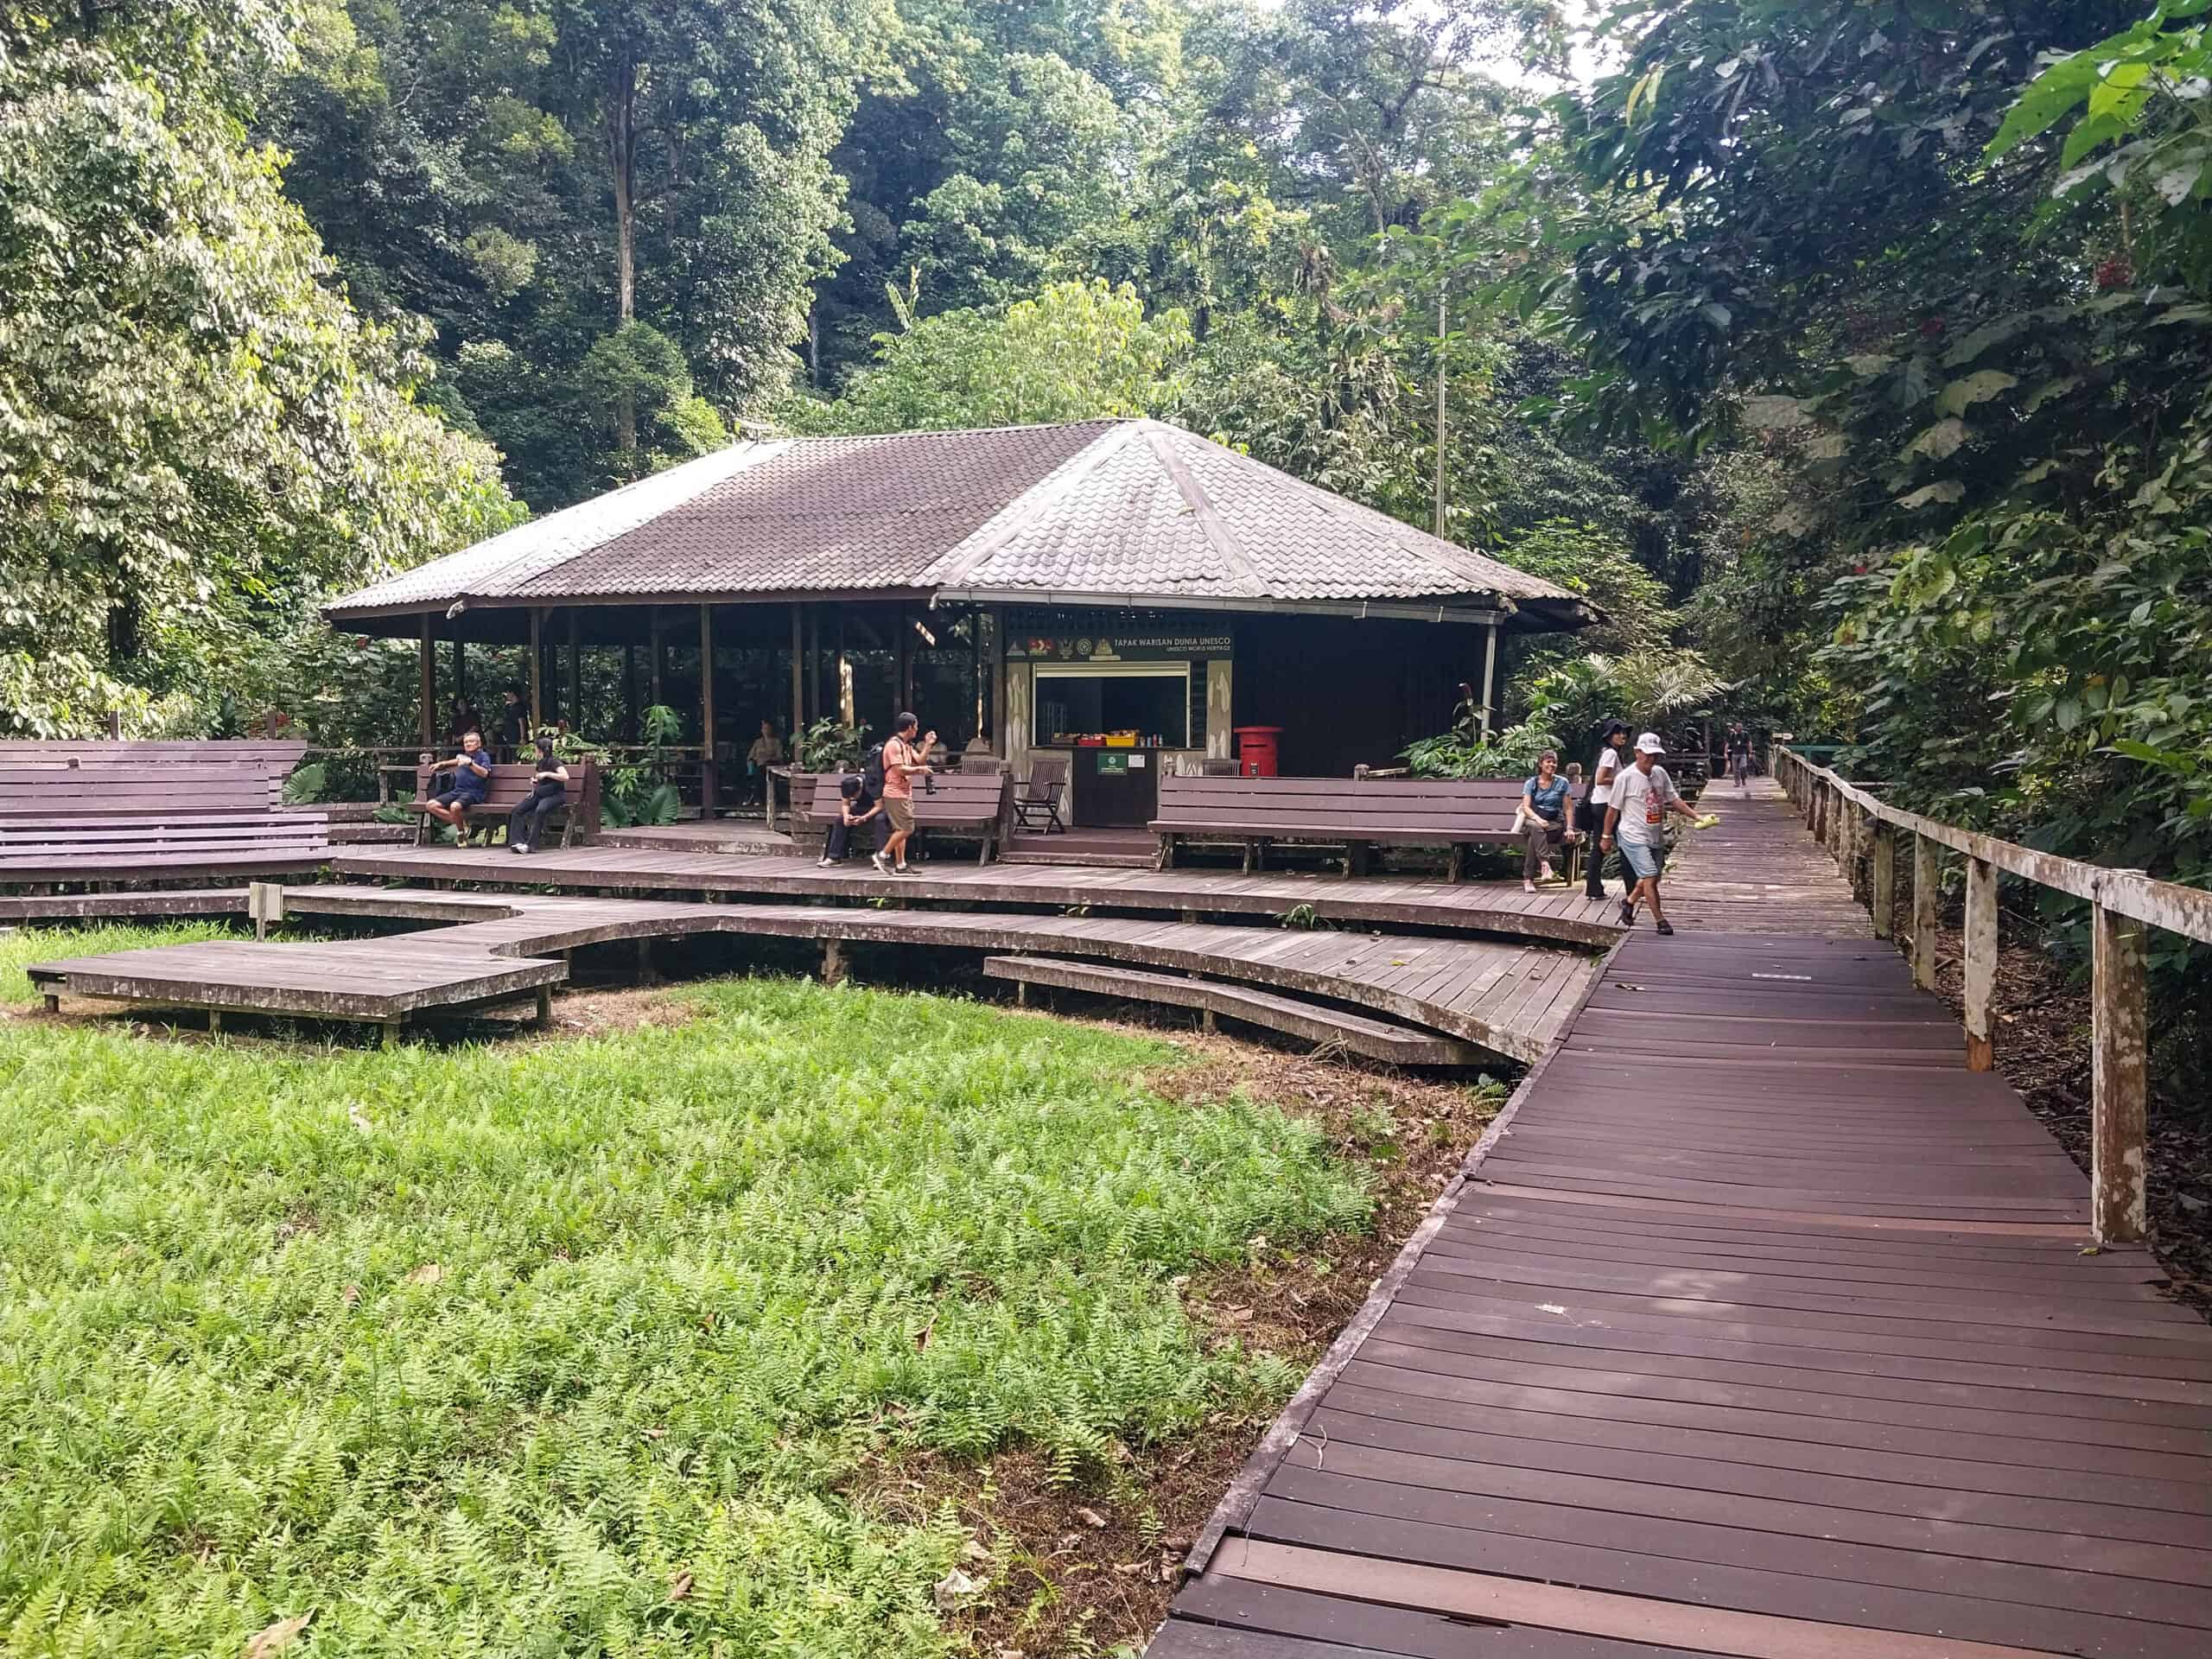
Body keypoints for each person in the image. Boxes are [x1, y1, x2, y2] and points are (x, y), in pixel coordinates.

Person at [1601, 732, 1703, 935]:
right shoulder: (1625, 777)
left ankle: (1628, 902)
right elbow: (1612, 809)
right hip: (1632, 835)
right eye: (1647, 754)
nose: (1651, 759)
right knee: (1649, 875)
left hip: (1654, 835)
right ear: (1637, 752)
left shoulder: (1660, 774)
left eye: (1655, 755)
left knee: (1653, 878)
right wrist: (1606, 836)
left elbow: (1674, 799)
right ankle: (1660, 921)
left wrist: (1697, 817)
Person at [872, 710, 936, 876]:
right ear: (909, 727)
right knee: (907, 828)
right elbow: (899, 769)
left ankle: (901, 865)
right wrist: (920, 770)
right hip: (894, 792)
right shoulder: (893, 745)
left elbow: (919, 760)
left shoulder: (906, 745)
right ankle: (882, 856)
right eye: (916, 727)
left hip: (904, 792)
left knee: (900, 830)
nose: (917, 729)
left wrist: (928, 744)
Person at [1580, 720, 1630, 901]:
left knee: (1599, 848)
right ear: (1609, 736)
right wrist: (1621, 779)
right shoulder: (1610, 753)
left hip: (1600, 804)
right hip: (1607, 806)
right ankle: (1633, 890)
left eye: (1624, 733)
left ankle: (1594, 889)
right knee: (1627, 846)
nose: (1622, 736)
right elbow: (1601, 780)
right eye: (1618, 733)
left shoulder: (1607, 752)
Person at [1516, 749, 1578, 894]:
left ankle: (1528, 879)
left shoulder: (1562, 783)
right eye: (1548, 762)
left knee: (1534, 837)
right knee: (1535, 828)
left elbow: (1568, 808)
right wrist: (1538, 819)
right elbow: (1526, 807)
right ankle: (1545, 863)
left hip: (1553, 823)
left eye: (1554, 762)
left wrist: (1569, 828)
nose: (1552, 765)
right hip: (1532, 819)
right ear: (1541, 764)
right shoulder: (1531, 783)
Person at [422, 730, 493, 838]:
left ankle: (460, 833)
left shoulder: (483, 756)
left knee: (454, 807)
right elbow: (455, 761)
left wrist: (471, 764)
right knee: (431, 805)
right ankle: (462, 825)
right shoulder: (463, 757)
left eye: (471, 741)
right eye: (466, 742)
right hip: (458, 791)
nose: (468, 744)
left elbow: (485, 773)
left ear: (479, 744)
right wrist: (441, 764)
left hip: (474, 793)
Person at [507, 734, 569, 855]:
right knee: (517, 810)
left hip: (555, 795)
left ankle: (531, 845)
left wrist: (547, 774)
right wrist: (535, 780)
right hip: (540, 793)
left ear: (539, 749)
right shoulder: (540, 763)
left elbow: (565, 777)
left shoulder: (554, 762)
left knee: (540, 810)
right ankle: (517, 842)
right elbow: (541, 779)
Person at [820, 775, 883, 867]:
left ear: (861, 787)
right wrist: (846, 816)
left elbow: (879, 806)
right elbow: (846, 804)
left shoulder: (872, 784)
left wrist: (864, 817)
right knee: (840, 820)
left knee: (879, 820)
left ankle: (880, 857)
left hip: (878, 808)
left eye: (854, 795)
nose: (853, 798)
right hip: (860, 807)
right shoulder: (847, 785)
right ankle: (834, 857)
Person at [495, 689, 528, 760]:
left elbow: (522, 722)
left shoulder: (519, 707)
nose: (506, 695)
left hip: (516, 737)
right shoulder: (509, 707)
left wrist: (522, 738)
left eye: (507, 693)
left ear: (512, 693)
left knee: (516, 758)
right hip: (508, 738)